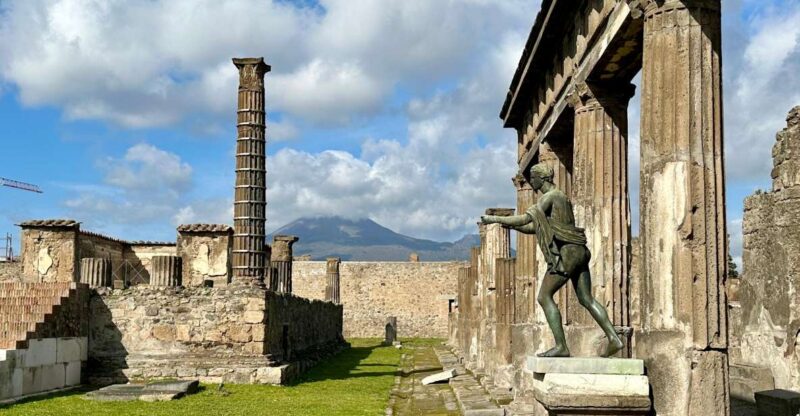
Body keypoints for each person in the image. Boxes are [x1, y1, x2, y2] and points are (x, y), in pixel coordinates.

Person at [481, 163, 623, 358]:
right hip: (580, 251)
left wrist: (496, 220)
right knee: (586, 298)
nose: (532, 181)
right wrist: (510, 227)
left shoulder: (549, 197)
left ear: (543, 178)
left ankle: (561, 346)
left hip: (567, 253)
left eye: (534, 177)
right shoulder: (561, 197)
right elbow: (534, 228)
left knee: (543, 296)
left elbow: (523, 219)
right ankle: (614, 337)